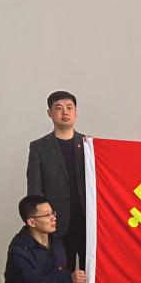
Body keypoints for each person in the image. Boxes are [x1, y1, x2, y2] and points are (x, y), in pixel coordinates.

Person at [27, 91, 87, 272]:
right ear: (50, 113)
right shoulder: (39, 147)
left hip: (88, 222)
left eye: (69, 108)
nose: (65, 112)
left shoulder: (89, 144)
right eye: (59, 108)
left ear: (76, 112)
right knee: (61, 279)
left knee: (94, 277)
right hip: (57, 224)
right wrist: (38, 223)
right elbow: (34, 190)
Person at [4, 195, 86, 283]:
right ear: (31, 222)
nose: (54, 218)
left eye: (53, 213)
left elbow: (63, 275)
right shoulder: (19, 249)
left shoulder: (56, 243)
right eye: (47, 215)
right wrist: (69, 279)